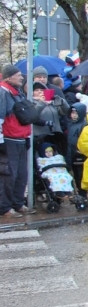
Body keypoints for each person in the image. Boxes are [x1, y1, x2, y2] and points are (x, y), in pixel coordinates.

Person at [0, 65, 35, 217]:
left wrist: (27, 137)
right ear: (8, 77)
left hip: (20, 138)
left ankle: (18, 203)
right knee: (9, 175)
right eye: (18, 75)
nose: (22, 77)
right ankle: (5, 207)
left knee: (22, 174)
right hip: (9, 140)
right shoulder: (3, 93)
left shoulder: (17, 93)